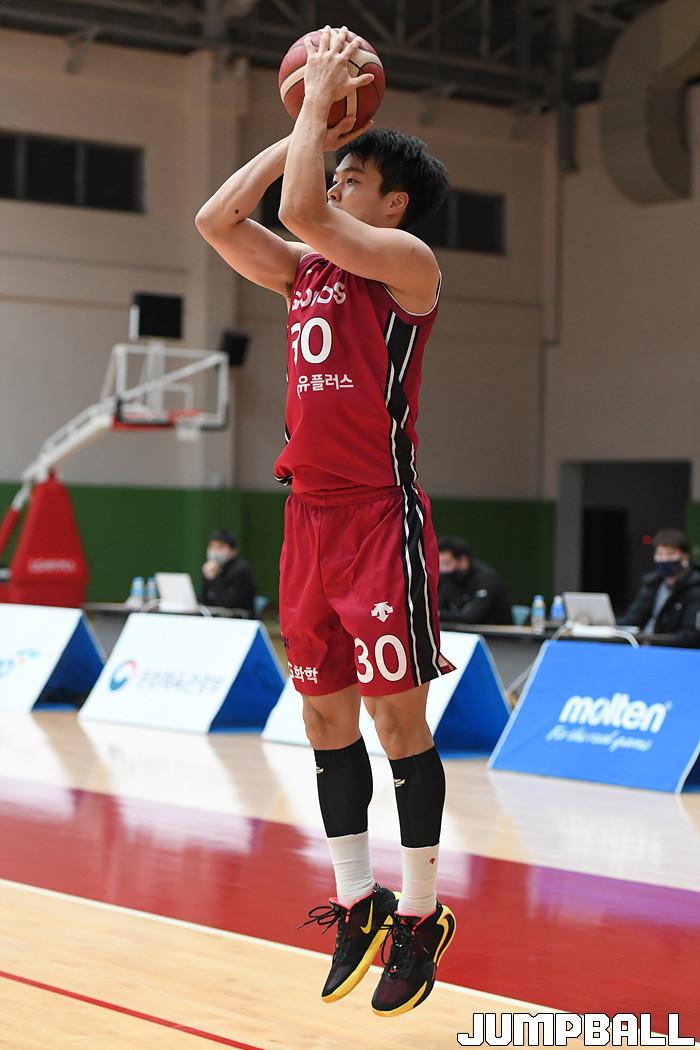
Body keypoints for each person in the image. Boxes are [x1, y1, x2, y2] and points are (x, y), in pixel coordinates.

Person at [196, 26, 456, 1017]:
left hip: (377, 518)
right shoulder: (306, 271)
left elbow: (302, 208)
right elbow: (217, 218)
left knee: (397, 722)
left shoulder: (407, 267)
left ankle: (422, 913)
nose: (334, 181)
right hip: (306, 517)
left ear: (393, 204)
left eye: (355, 176)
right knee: (321, 717)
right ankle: (358, 899)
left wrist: (318, 118)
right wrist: (306, 122)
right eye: (335, 169)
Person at [620, 528, 700, 647]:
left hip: (669, 650)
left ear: (684, 558)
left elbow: (691, 635)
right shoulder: (651, 584)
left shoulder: (695, 588)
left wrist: (651, 640)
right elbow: (630, 620)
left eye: (670, 554)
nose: (664, 559)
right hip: (641, 647)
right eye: (660, 554)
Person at [438, 536, 513, 625]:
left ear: (463, 560)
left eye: (446, 563)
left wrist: (438, 614)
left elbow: (472, 617)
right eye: (440, 564)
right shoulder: (447, 579)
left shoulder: (487, 580)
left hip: (494, 632)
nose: (442, 569)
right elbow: (440, 606)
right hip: (461, 631)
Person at [199, 528, 256, 617]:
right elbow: (204, 600)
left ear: (233, 551)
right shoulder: (210, 568)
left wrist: (215, 578)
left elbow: (229, 603)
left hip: (239, 619)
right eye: (212, 547)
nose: (215, 551)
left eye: (220, 547)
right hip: (215, 616)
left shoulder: (241, 570)